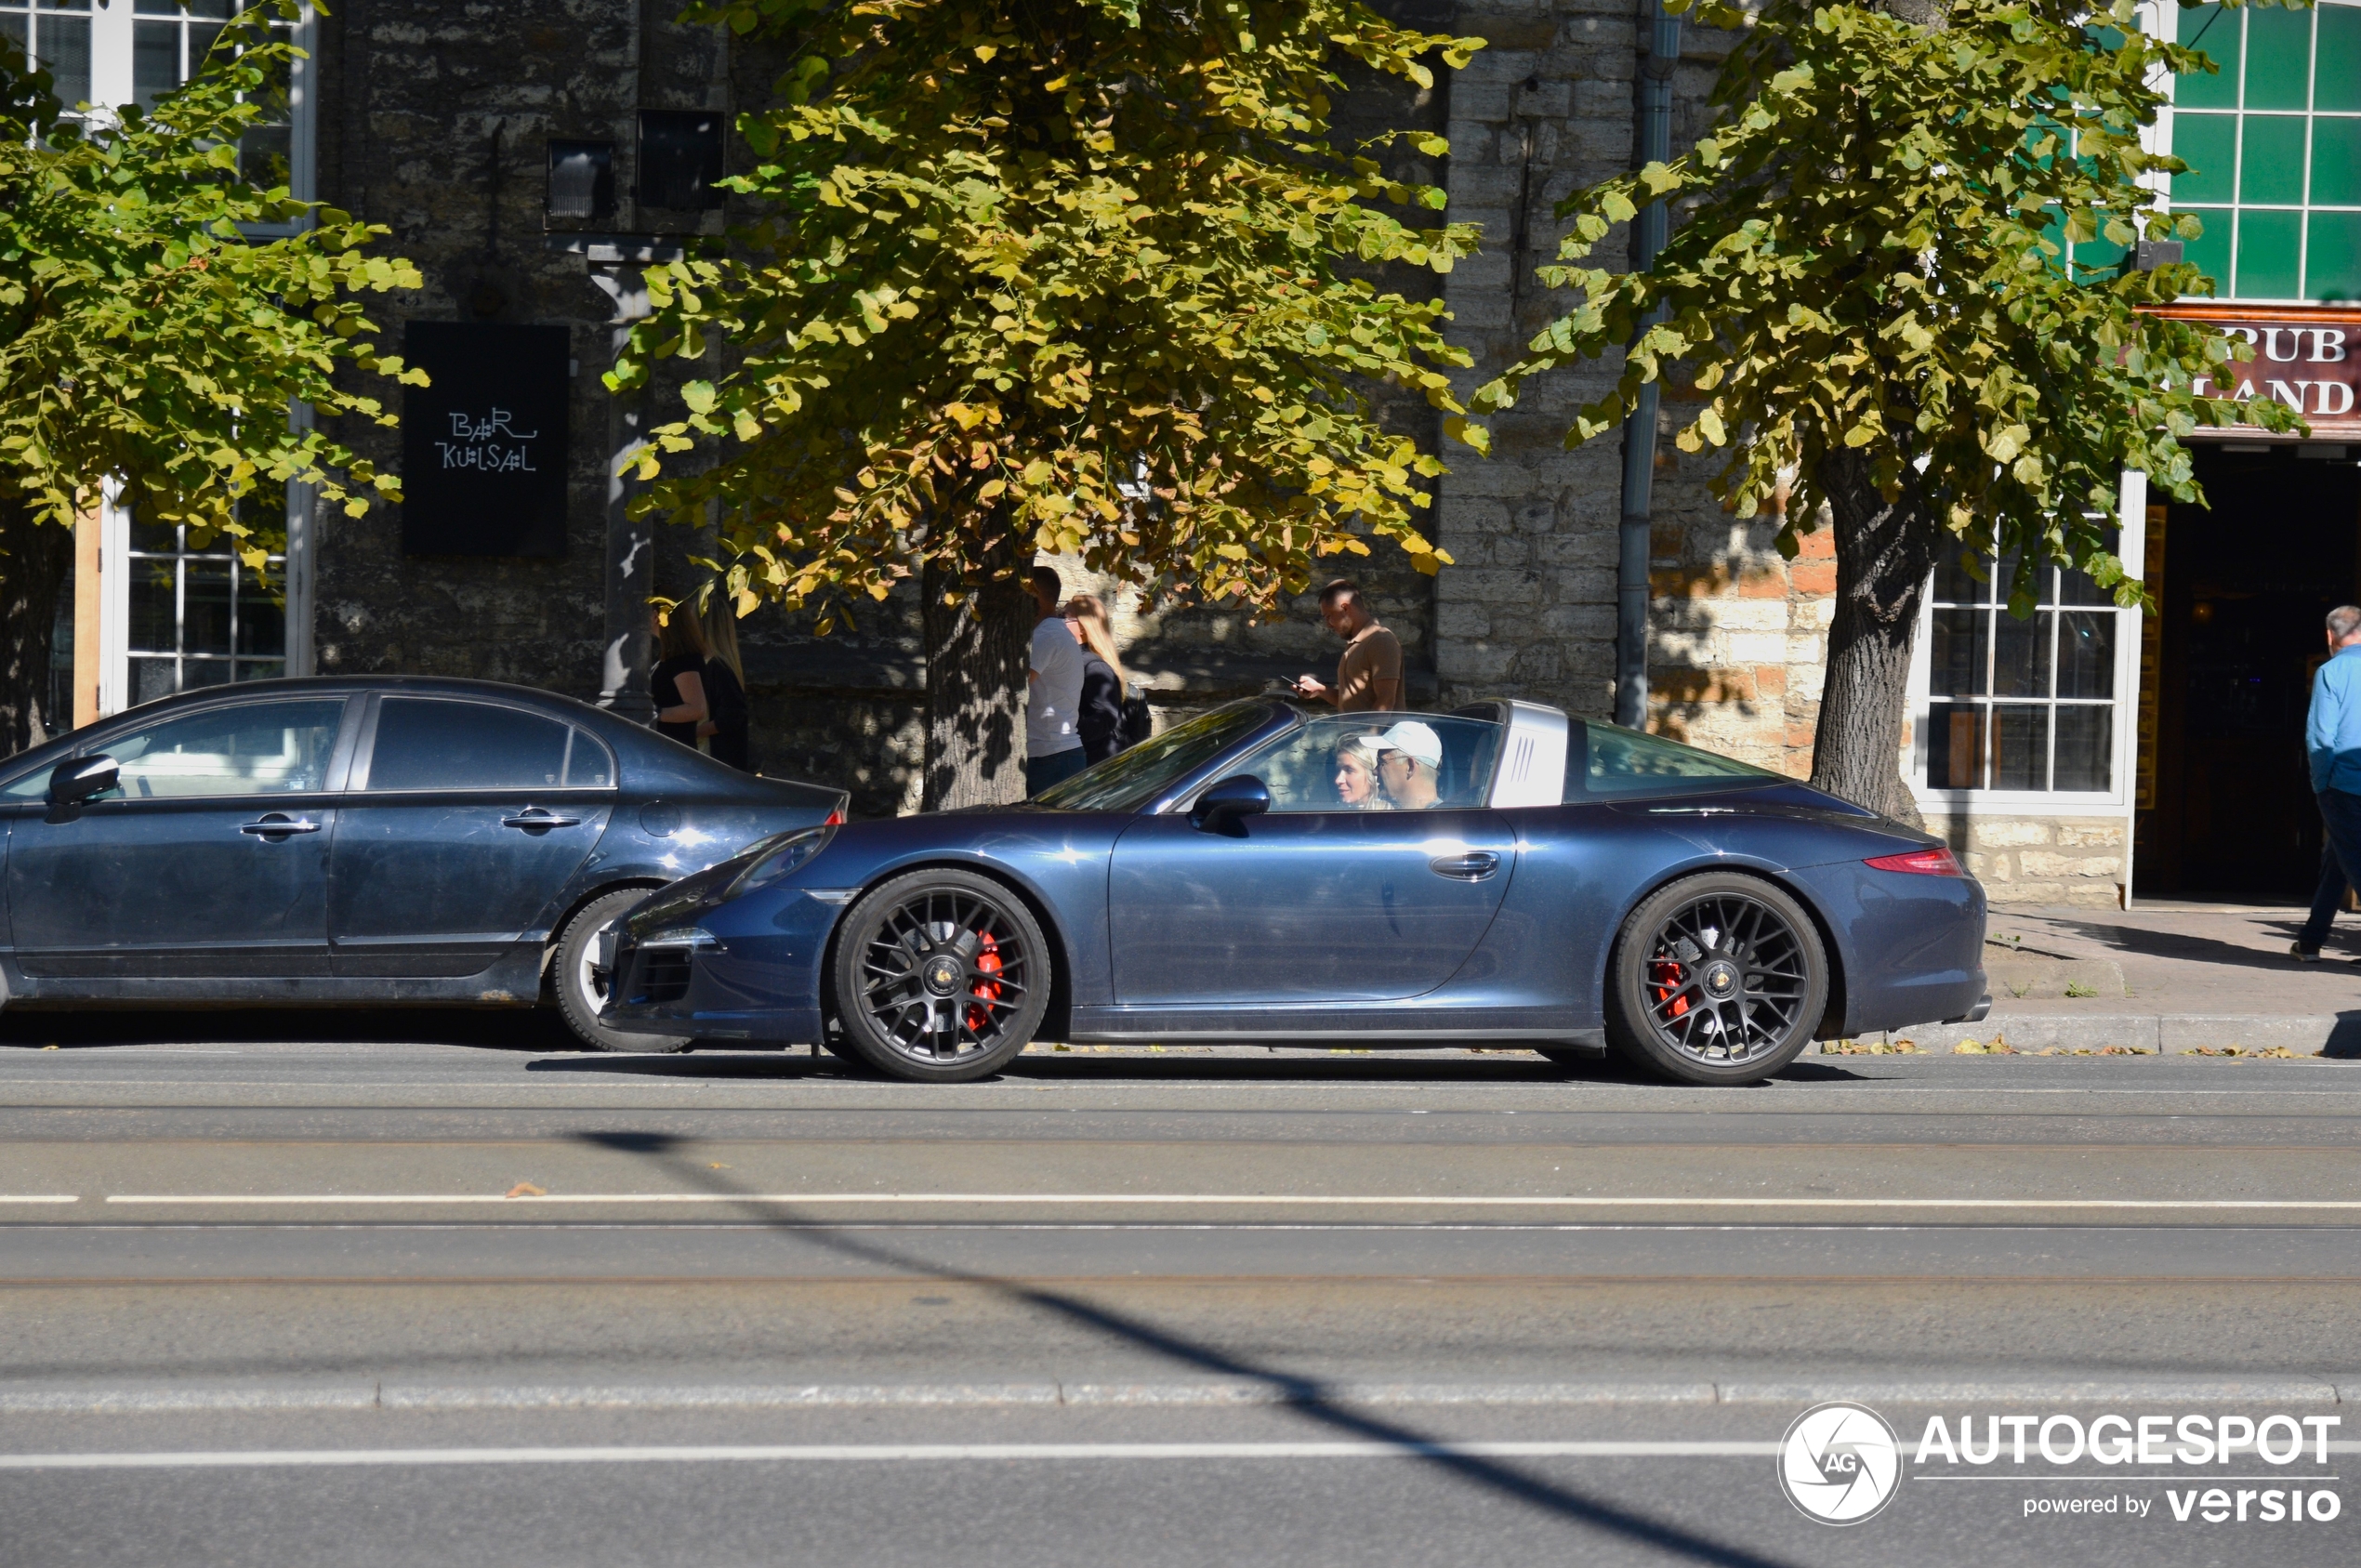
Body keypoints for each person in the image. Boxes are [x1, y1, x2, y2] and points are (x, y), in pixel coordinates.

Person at [2296, 604, 2361, 959]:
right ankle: (2311, 939)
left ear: (2329, 635)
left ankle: (2311, 941)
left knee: (2352, 859)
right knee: (2337, 862)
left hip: (2345, 784)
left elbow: (2321, 738)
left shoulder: (2331, 671)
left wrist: (2321, 783)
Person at [1291, 579, 1403, 712]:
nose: (1328, 624)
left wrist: (1370, 733)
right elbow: (1351, 702)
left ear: (1345, 608)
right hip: (1353, 732)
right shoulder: (1356, 643)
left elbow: (1386, 701)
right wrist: (1320, 690)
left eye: (1328, 616)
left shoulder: (1381, 640)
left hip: (1377, 733)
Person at [1025, 564, 1088, 795]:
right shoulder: (1055, 632)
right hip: (1053, 753)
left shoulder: (1046, 634)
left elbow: (1014, 686)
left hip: (1052, 756)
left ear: (1036, 597)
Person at [1064, 593, 1128, 766]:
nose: (1058, 622)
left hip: (1092, 764)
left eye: (1064, 617)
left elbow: (1106, 718)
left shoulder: (1094, 667)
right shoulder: (1074, 658)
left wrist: (1065, 732)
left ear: (1084, 627)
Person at [700, 596, 751, 771]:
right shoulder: (709, 663)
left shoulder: (717, 666)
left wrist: (691, 735)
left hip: (714, 764)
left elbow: (732, 715)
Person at [649, 605, 709, 750]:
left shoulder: (683, 658)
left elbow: (696, 709)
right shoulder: (673, 656)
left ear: (656, 616)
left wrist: (651, 713)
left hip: (675, 754)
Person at [1372, 719, 1444, 810]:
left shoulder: (1441, 822)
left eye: (1381, 762)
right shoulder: (1448, 819)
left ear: (1410, 767)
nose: (1374, 771)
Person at [1334, 733, 1390, 809]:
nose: (1338, 780)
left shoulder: (1390, 817)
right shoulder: (1336, 814)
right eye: (1338, 770)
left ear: (1373, 773)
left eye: (1349, 770)